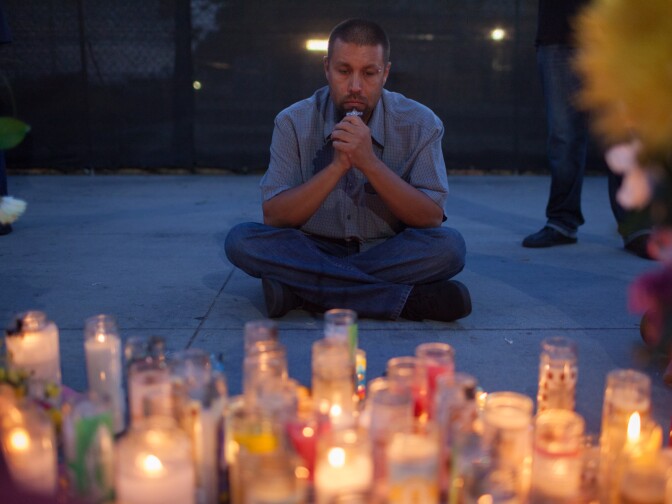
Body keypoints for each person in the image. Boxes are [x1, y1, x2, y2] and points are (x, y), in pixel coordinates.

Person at [225, 18, 471, 321]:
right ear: (327, 68)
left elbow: (430, 218)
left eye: (369, 73)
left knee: (449, 247)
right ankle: (408, 301)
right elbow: (275, 217)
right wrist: (338, 165)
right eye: (344, 71)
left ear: (385, 73)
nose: (355, 86)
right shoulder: (292, 121)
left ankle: (302, 292)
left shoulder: (421, 123)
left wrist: (369, 162)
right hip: (312, 247)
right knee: (241, 241)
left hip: (387, 249)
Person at [523, 0, 652, 259]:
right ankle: (562, 221)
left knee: (621, 135)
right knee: (563, 137)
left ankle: (635, 227)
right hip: (558, 34)